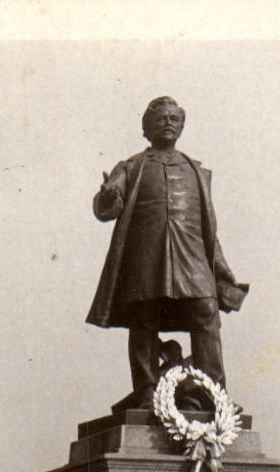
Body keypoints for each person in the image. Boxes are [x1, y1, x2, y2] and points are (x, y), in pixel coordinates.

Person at [88, 97, 248, 410]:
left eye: (175, 118)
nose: (168, 123)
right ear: (146, 128)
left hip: (191, 257)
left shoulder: (196, 171)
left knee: (206, 313)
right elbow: (107, 206)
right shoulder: (131, 167)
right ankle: (147, 391)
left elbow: (208, 228)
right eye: (161, 118)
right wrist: (107, 196)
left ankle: (213, 392)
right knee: (144, 318)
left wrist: (220, 268)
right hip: (146, 258)